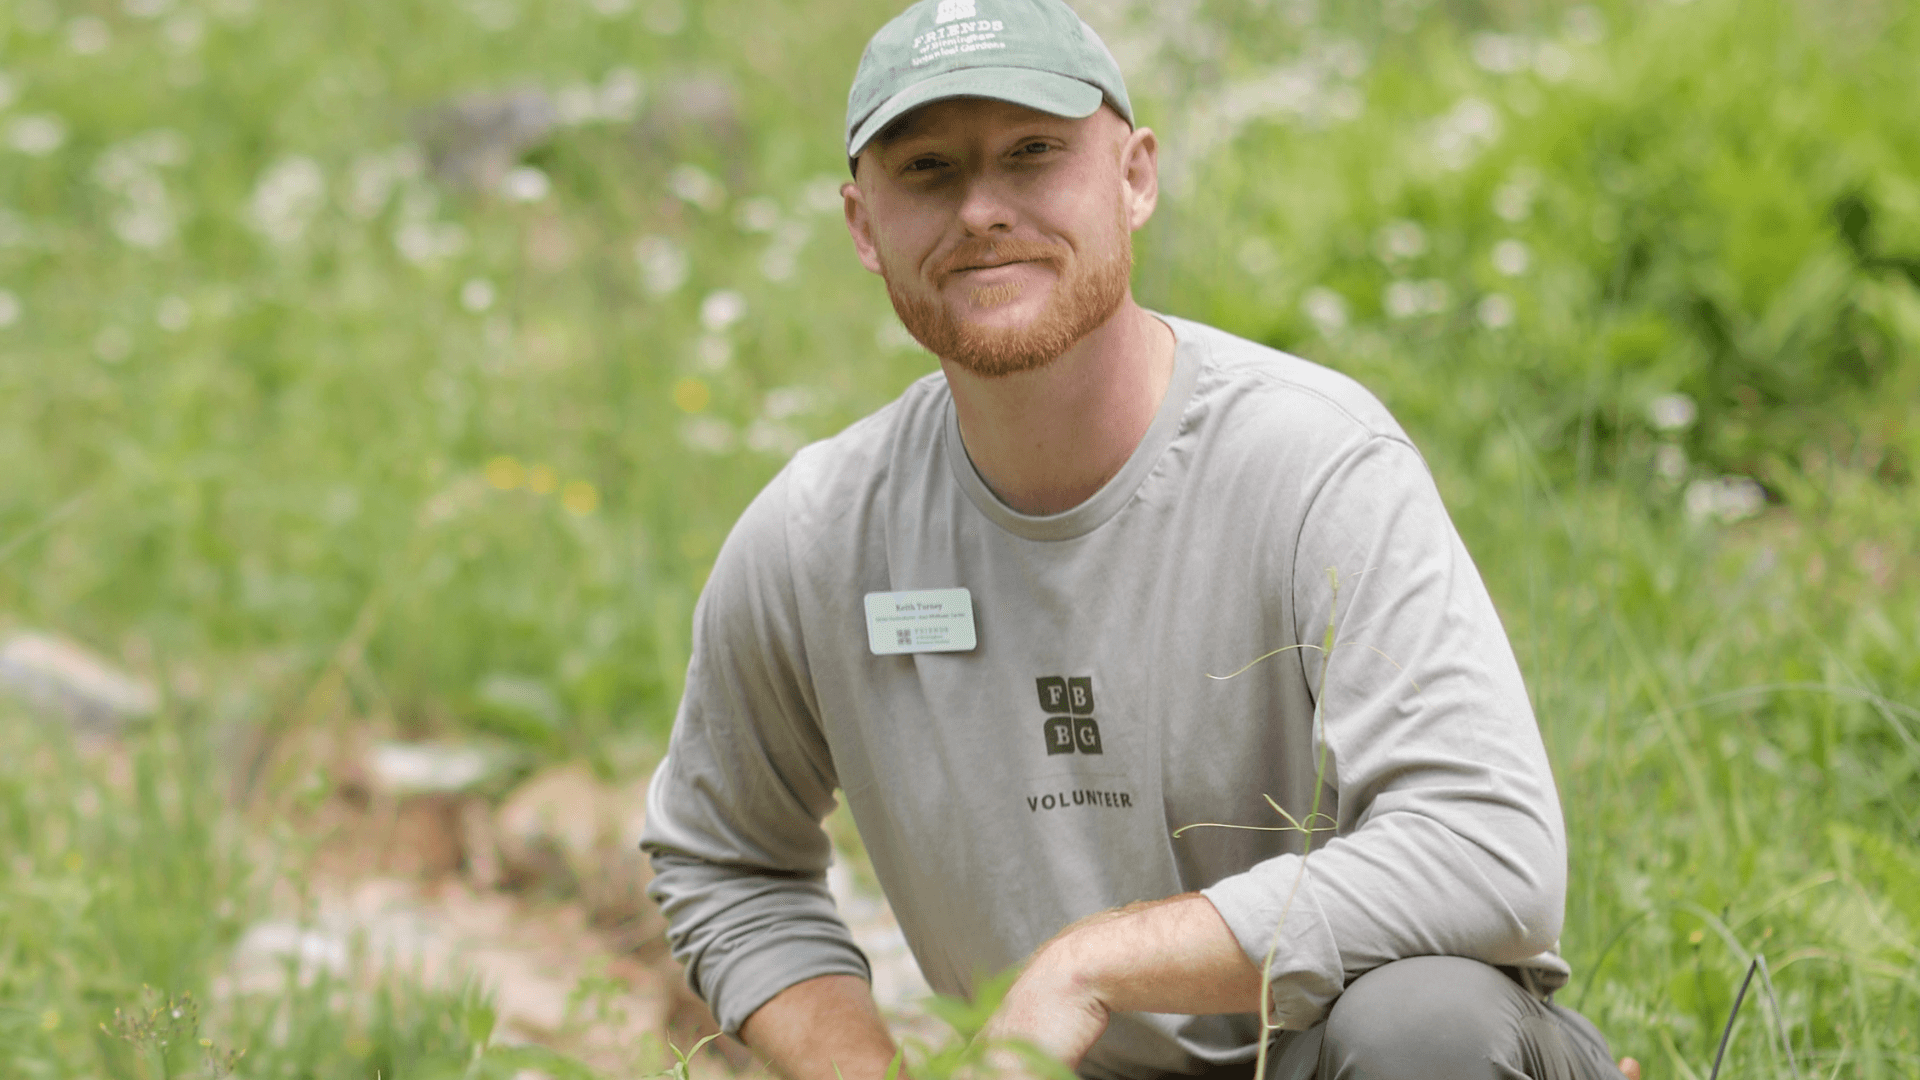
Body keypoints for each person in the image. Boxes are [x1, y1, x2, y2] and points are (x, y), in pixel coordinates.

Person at [641, 1, 1639, 1077]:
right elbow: (723, 858)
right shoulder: (819, 536)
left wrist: (1092, 965)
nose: (981, 210)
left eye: (1033, 154)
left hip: (1329, 1060)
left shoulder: (1313, 464)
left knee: (1424, 1029)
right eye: (928, 169)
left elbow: (1486, 848)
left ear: (1135, 178)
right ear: (862, 224)